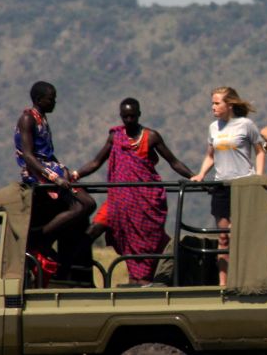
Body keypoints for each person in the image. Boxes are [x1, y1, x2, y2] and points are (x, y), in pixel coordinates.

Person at [74, 98, 195, 285]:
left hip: (145, 202)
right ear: (121, 117)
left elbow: (174, 162)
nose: (129, 120)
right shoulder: (115, 137)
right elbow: (96, 162)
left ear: (139, 115)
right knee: (93, 230)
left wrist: (194, 177)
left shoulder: (151, 137)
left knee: (149, 243)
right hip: (118, 201)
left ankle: (145, 280)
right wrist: (76, 174)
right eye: (125, 117)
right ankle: (78, 275)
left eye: (132, 116)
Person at [15, 81, 96, 283]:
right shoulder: (27, 118)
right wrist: (54, 177)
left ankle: (47, 236)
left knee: (89, 203)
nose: (54, 102)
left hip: (51, 167)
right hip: (37, 172)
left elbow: (48, 153)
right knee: (80, 205)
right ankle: (41, 236)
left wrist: (64, 171)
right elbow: (28, 155)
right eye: (51, 98)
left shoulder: (42, 119)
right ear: (38, 99)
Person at [190, 87, 265, 286]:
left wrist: (258, 177)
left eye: (217, 103)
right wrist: (201, 174)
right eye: (212, 103)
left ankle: (245, 281)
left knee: (239, 235)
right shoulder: (214, 127)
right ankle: (223, 284)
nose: (213, 107)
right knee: (223, 238)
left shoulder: (246, 125)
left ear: (229, 104)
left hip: (243, 186)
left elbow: (260, 151)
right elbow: (210, 155)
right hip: (221, 186)